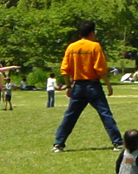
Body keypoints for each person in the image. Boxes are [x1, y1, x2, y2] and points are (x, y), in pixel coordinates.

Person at [53, 21, 123, 152]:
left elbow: (65, 69)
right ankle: (117, 143)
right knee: (105, 114)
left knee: (70, 115)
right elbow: (100, 69)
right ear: (92, 33)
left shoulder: (71, 47)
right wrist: (108, 85)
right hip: (93, 85)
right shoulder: (94, 47)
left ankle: (58, 143)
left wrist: (68, 86)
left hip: (78, 86)